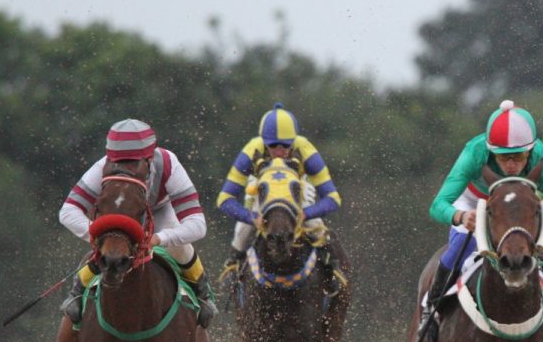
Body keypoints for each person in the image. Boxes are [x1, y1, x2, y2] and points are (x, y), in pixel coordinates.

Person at [419, 100, 543, 342]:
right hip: (475, 202)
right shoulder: (474, 152)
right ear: (491, 150)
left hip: (519, 206)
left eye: (517, 157)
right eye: (503, 158)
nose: (511, 165)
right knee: (462, 240)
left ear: (530, 150)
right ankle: (431, 308)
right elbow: (438, 204)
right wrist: (461, 216)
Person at [58, 119, 218, 327]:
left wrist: (158, 238)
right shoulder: (102, 167)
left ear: (150, 158)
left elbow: (197, 224)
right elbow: (68, 211)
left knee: (179, 247)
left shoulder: (169, 164)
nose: (125, 169)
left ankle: (202, 293)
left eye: (133, 163)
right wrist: (97, 235)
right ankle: (77, 291)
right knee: (109, 251)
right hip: (124, 216)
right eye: (118, 163)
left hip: (160, 211)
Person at [215, 103, 344, 286]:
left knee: (314, 224)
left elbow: (333, 198)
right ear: (264, 143)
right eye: (273, 145)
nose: (280, 151)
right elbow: (224, 199)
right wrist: (251, 217)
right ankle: (233, 263)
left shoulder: (306, 150)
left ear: (294, 141)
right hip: (263, 187)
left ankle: (331, 266)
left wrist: (307, 213)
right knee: (243, 228)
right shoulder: (251, 151)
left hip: (296, 186)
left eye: (286, 146)